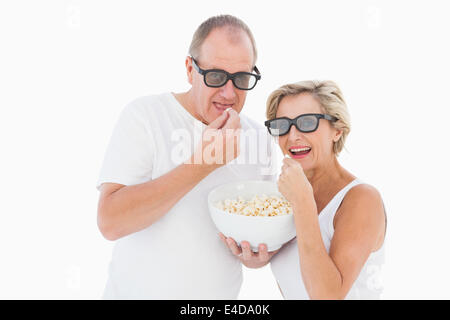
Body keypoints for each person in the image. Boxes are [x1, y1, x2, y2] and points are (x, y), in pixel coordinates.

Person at [96, 15, 274, 299]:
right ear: (191, 69)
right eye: (216, 76)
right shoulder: (145, 116)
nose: (229, 93)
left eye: (241, 78)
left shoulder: (258, 139)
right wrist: (201, 165)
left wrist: (256, 258)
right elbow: (110, 222)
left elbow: (259, 237)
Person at [221, 80, 386, 299]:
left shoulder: (362, 199)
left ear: (337, 130)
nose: (292, 136)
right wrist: (256, 259)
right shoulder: (285, 196)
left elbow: (326, 296)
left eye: (307, 122)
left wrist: (303, 203)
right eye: (282, 125)